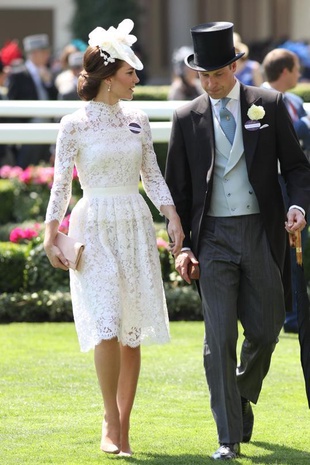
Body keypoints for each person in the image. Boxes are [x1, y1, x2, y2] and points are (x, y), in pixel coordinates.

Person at [165, 21, 310, 460]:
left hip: (261, 233)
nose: (210, 83)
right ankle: (228, 436)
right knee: (219, 336)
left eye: (217, 74)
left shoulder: (269, 103)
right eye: (202, 76)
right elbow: (178, 189)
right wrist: (183, 245)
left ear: (236, 66)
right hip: (212, 238)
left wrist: (299, 208)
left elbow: (299, 169)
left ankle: (242, 390)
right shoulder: (185, 116)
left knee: (266, 333)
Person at [44, 18, 184, 457]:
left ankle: (124, 425)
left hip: (134, 224)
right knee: (105, 322)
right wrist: (51, 235)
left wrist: (172, 215)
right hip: (92, 224)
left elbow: (153, 176)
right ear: (108, 78)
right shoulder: (74, 124)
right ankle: (109, 417)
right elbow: (61, 185)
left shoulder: (138, 118)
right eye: (130, 73)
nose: (137, 79)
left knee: (130, 329)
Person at [262, 47, 310, 333]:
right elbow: (291, 132)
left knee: (300, 250)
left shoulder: (294, 100)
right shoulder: (258, 99)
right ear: (284, 71)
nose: (300, 74)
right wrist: (304, 125)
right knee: (280, 251)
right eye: (296, 68)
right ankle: (283, 313)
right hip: (273, 186)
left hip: (297, 185)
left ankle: (298, 312)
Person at [7, 33, 58, 168]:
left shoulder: (47, 72)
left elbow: (56, 99)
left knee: (46, 169)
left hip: (48, 128)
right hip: (27, 130)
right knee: (25, 167)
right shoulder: (18, 74)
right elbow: (11, 103)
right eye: (45, 52)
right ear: (35, 53)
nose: (48, 55)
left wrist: (48, 83)